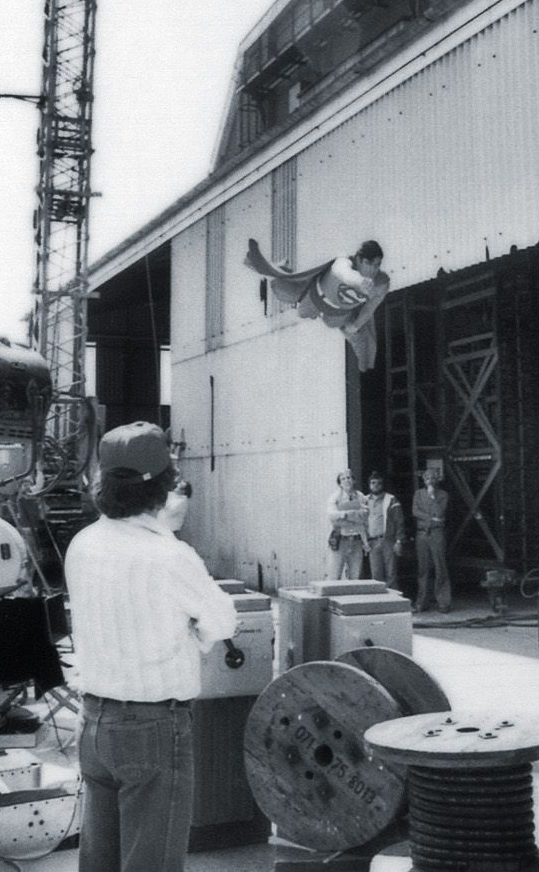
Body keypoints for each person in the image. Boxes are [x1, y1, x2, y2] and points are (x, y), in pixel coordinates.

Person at [65, 421, 237, 872]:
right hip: (153, 728)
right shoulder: (170, 556)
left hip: (94, 723)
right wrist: (194, 634)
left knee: (100, 860)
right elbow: (223, 620)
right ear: (163, 486)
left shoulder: (82, 544)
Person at [244, 239, 391, 370]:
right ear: (359, 259)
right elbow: (343, 273)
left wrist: (356, 325)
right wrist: (359, 281)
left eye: (377, 265)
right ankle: (271, 266)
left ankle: (367, 367)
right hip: (313, 299)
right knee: (283, 291)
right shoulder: (344, 262)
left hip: (338, 316)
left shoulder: (381, 283)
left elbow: (370, 308)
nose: (373, 270)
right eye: (368, 264)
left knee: (361, 343)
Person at [411, 469, 451, 614]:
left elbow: (440, 512)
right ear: (423, 479)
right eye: (427, 477)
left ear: (437, 479)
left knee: (440, 567)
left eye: (433, 477)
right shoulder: (418, 494)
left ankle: (443, 602)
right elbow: (415, 511)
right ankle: (421, 602)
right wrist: (431, 518)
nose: (430, 480)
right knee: (423, 569)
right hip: (422, 534)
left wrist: (432, 496)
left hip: (436, 534)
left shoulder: (443, 495)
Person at [364, 471, 404, 589]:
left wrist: (399, 541)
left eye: (379, 483)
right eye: (373, 483)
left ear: (383, 484)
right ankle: (380, 603)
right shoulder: (364, 501)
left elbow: (399, 521)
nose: (376, 485)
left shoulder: (391, 499)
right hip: (372, 542)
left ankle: (394, 603)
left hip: (388, 541)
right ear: (369, 485)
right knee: (376, 575)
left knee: (391, 573)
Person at [327, 470, 369, 581]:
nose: (347, 481)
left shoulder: (360, 496)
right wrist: (346, 514)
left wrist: (347, 515)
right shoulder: (335, 497)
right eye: (343, 479)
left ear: (354, 480)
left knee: (355, 575)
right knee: (334, 574)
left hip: (356, 540)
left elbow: (364, 515)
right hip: (340, 539)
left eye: (349, 477)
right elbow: (332, 515)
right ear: (340, 483)